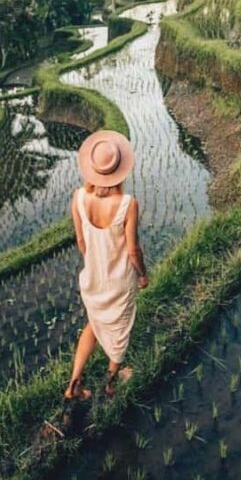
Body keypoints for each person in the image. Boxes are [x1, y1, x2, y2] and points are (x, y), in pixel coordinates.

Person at [64, 129, 149, 401]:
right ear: (120, 171)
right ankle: (111, 384)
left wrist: (95, 262)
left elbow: (80, 240)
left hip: (93, 279)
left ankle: (73, 386)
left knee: (93, 325)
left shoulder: (78, 198)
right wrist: (144, 276)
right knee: (119, 334)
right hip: (119, 282)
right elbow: (133, 250)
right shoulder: (127, 204)